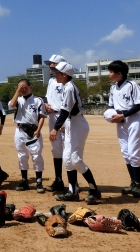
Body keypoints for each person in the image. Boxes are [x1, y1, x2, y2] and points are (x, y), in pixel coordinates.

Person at [50, 62, 101, 204]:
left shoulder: (69, 88)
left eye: (57, 73)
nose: (55, 75)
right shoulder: (66, 87)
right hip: (72, 123)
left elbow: (65, 111)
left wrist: (55, 127)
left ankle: (94, 190)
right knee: (67, 159)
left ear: (64, 75)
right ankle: (72, 192)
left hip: (78, 124)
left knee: (76, 159)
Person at [107, 60, 140, 198]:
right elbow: (111, 106)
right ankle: (133, 183)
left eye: (111, 72)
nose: (109, 74)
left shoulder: (132, 85)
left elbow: (139, 105)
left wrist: (123, 115)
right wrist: (111, 115)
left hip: (133, 120)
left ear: (119, 73)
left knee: (133, 152)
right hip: (121, 121)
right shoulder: (113, 88)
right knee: (125, 152)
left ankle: (138, 185)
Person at [9, 79, 47, 193]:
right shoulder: (18, 100)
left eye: (24, 86)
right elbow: (11, 105)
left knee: (36, 156)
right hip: (20, 129)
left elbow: (41, 116)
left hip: (33, 130)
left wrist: (38, 129)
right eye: (20, 87)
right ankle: (24, 180)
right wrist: (17, 91)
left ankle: (39, 181)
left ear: (31, 87)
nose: (22, 89)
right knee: (22, 155)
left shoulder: (37, 100)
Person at [44, 54, 67, 192]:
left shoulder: (66, 81)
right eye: (50, 64)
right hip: (52, 116)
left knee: (68, 150)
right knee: (56, 149)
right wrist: (46, 105)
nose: (50, 66)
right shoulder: (52, 81)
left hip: (62, 116)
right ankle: (58, 180)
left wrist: (63, 120)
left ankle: (72, 183)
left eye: (52, 64)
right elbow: (48, 97)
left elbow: (68, 102)